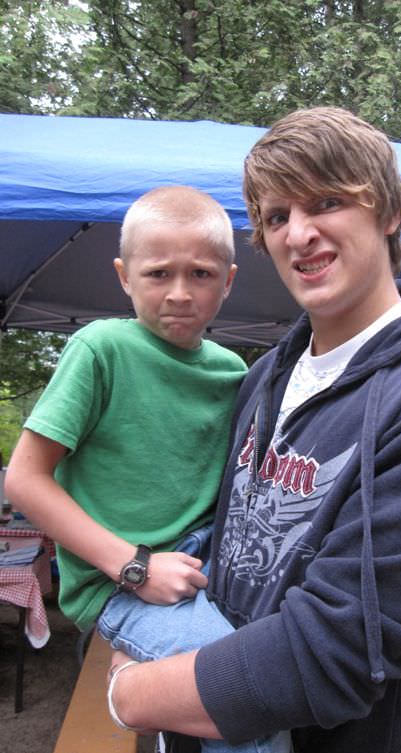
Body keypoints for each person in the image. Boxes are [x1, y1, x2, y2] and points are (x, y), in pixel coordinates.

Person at [104, 107, 401, 753]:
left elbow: (339, 650)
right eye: (277, 216)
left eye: (327, 202)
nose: (299, 234)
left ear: (389, 212)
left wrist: (130, 692)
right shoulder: (264, 377)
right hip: (192, 719)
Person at [5, 186, 291, 753]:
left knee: (297, 668)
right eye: (158, 274)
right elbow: (24, 479)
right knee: (243, 696)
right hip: (120, 581)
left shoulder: (232, 371)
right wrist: (135, 568)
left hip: (210, 562)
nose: (180, 293)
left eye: (201, 274)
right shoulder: (100, 349)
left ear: (228, 281)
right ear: (124, 276)